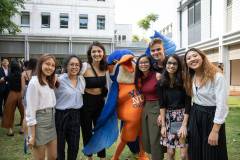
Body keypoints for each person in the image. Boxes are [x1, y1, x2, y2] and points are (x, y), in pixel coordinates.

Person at [183, 48, 228, 160]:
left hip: (211, 118)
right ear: (187, 63)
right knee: (195, 152)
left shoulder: (216, 76)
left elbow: (221, 106)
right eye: (188, 58)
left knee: (212, 153)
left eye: (195, 55)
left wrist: (215, 130)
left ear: (202, 56)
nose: (192, 59)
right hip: (196, 115)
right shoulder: (191, 77)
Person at [158, 55, 190, 160]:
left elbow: (188, 104)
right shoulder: (161, 83)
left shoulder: (184, 80)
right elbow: (162, 105)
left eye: (174, 63)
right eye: (169, 63)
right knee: (170, 153)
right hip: (168, 119)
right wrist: (163, 125)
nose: (171, 66)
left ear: (179, 65)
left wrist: (184, 125)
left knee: (183, 155)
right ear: (165, 65)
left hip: (183, 117)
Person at [80, 41, 109, 160]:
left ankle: (102, 157)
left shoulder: (106, 67)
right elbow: (72, 77)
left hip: (100, 103)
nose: (97, 54)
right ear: (90, 54)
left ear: (103, 53)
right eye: (94, 51)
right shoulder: (84, 66)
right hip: (86, 103)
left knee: (100, 130)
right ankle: (89, 157)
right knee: (86, 130)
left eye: (99, 51)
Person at [26, 54, 57, 160]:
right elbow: (30, 111)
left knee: (53, 156)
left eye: (53, 65)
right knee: (39, 158)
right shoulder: (34, 83)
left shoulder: (49, 81)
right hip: (40, 122)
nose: (50, 67)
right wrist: (32, 135)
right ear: (40, 65)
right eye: (47, 64)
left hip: (52, 120)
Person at [55, 55, 85, 160]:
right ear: (66, 66)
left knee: (74, 146)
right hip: (61, 115)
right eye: (71, 64)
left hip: (76, 115)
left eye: (77, 65)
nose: (74, 67)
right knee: (59, 147)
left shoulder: (82, 79)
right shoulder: (58, 80)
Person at [134, 54, 164, 160]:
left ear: (150, 63)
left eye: (146, 62)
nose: (143, 64)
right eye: (141, 62)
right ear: (138, 65)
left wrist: (161, 114)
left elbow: (164, 95)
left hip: (156, 107)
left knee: (155, 139)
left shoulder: (157, 76)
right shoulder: (139, 77)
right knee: (146, 138)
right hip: (145, 108)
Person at [1, 61, 24, 136]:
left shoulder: (9, 75)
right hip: (21, 94)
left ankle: (10, 130)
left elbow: (2, 80)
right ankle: (22, 129)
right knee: (23, 112)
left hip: (12, 94)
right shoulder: (22, 75)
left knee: (9, 112)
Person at [21, 58, 37, 153]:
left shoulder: (24, 73)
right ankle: (33, 136)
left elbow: (23, 88)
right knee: (33, 115)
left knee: (25, 116)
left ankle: (26, 137)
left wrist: (22, 98)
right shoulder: (36, 73)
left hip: (26, 94)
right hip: (34, 94)